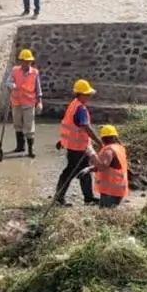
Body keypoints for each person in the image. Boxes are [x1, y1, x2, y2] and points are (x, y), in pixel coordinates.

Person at [53, 79, 103, 207]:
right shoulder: (80, 108)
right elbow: (87, 128)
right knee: (71, 172)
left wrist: (62, 140)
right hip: (78, 147)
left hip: (73, 145)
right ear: (80, 94)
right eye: (87, 94)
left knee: (82, 170)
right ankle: (59, 198)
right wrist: (99, 142)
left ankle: (87, 198)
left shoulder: (73, 105)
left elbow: (69, 126)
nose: (89, 97)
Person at [79, 125, 129, 209]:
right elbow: (110, 166)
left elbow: (102, 167)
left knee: (106, 211)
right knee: (108, 211)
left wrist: (92, 154)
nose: (104, 140)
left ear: (102, 139)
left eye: (105, 138)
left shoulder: (109, 150)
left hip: (111, 189)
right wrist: (89, 169)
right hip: (118, 187)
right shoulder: (119, 148)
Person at [5, 48, 43, 158]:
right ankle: (20, 147)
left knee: (29, 126)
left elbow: (38, 88)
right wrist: (11, 85)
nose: (27, 63)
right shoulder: (15, 71)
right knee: (17, 125)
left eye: (29, 61)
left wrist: (39, 102)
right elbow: (8, 82)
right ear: (21, 61)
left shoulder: (34, 73)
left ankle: (30, 150)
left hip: (29, 103)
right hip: (16, 102)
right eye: (25, 61)